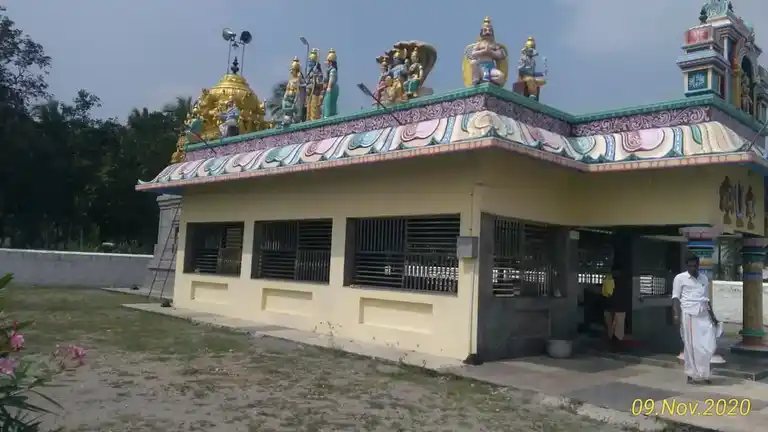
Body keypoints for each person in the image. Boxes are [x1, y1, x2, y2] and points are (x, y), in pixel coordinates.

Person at [672, 254, 719, 385]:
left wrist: (713, 317)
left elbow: (707, 300)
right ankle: (693, 375)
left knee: (708, 345)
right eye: (690, 265)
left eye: (695, 265)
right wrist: (676, 315)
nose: (693, 268)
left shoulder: (704, 278)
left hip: (703, 314)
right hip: (689, 314)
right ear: (687, 266)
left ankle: (704, 373)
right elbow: (675, 298)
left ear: (698, 265)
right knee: (691, 346)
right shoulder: (680, 278)